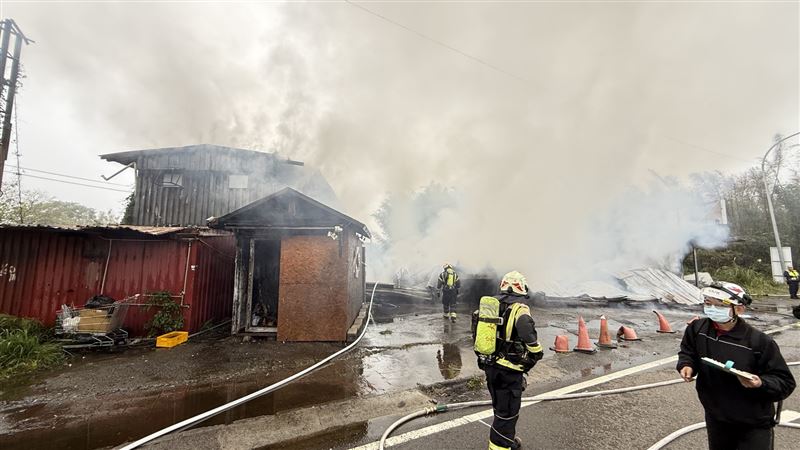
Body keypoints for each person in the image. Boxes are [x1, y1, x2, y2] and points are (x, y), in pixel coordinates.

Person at [677, 281, 795, 450]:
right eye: (708, 303)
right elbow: (688, 351)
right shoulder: (698, 329)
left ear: (739, 309)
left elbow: (785, 382)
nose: (712, 308)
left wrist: (761, 383)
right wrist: (687, 364)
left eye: (719, 305)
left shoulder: (759, 342)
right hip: (716, 416)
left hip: (752, 422)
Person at [479, 271, 543, 450]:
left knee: (500, 407)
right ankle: (499, 446)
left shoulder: (491, 305)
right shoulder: (519, 309)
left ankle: (507, 441)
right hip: (509, 370)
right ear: (521, 288)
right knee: (507, 414)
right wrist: (536, 352)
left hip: (490, 365)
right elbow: (527, 331)